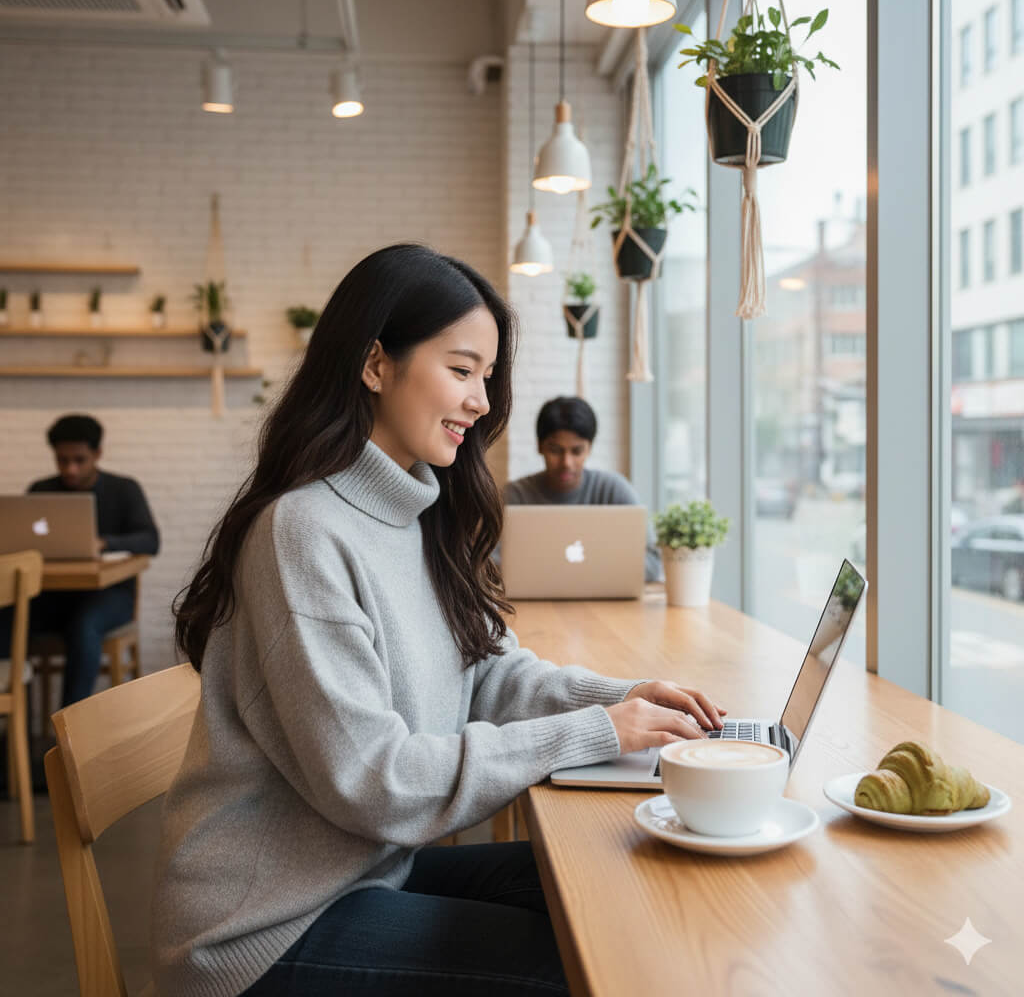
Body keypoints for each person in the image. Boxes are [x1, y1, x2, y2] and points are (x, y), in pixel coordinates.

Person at [151, 244, 726, 997]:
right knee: (585, 962)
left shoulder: (418, 512)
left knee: (621, 877)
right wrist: (599, 733)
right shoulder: (303, 533)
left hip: (364, 869)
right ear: (375, 365)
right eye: (461, 371)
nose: (483, 402)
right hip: (266, 928)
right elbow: (374, 781)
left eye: (487, 377)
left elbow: (486, 669)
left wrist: (626, 701)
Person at [0, 414, 159, 706]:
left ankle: (67, 731)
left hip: (110, 596)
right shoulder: (40, 491)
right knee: (5, 617)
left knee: (84, 624)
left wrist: (105, 543)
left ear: (97, 454)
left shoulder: (123, 489)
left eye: (79, 459)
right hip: (52, 596)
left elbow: (150, 540)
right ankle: (11, 730)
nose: (70, 469)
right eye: (62, 460)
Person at [504, 396, 664, 582]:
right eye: (555, 450)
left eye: (577, 451)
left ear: (589, 449)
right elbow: (486, 563)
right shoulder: (513, 497)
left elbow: (653, 563)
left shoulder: (614, 490)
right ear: (540, 447)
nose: (566, 463)